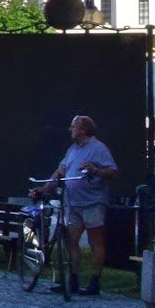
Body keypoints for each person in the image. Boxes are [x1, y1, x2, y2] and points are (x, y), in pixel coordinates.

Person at [44, 113, 120, 296]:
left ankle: (95, 281)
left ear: (84, 129)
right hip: (74, 203)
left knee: (95, 242)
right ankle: (73, 280)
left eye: (74, 126)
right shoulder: (73, 149)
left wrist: (96, 170)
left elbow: (113, 170)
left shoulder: (98, 148)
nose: (70, 130)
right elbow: (61, 170)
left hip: (93, 202)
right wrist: (46, 186)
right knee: (71, 241)